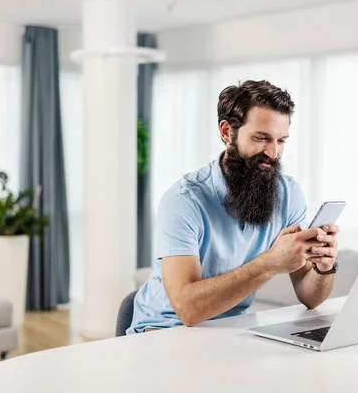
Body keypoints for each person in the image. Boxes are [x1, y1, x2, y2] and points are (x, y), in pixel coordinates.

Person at [127, 80, 339, 334]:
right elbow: (187, 310)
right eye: (261, 138)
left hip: (230, 330)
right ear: (227, 132)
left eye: (281, 141)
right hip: (164, 330)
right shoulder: (184, 200)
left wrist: (324, 268)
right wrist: (269, 264)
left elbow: (311, 297)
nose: (273, 152)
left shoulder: (288, 193)